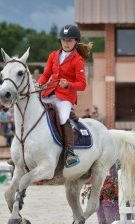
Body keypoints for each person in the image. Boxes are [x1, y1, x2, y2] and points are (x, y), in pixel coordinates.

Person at [37, 24, 93, 168]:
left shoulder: (77, 60)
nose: (66, 43)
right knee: (33, 110)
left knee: (62, 118)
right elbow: (46, 74)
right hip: (49, 92)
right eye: (64, 40)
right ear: (60, 41)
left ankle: (69, 153)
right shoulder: (53, 55)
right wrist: (38, 84)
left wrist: (68, 84)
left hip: (65, 96)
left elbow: (82, 84)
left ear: (76, 41)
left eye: (69, 40)